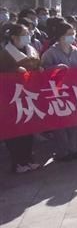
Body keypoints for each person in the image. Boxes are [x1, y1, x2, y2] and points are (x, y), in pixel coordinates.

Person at [0, 23, 43, 173]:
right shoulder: (5, 53)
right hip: (12, 97)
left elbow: (38, 64)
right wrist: (14, 71)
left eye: (28, 33)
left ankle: (28, 158)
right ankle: (17, 162)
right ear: (14, 37)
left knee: (28, 128)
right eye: (24, 34)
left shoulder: (31, 50)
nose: (28, 36)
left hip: (29, 94)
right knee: (15, 130)